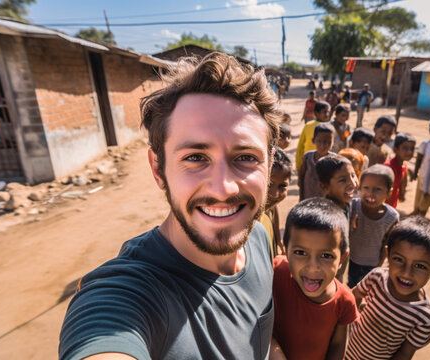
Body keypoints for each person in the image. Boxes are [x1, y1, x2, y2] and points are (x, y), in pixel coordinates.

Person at [59, 53, 280, 359]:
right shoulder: (129, 292)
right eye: (195, 158)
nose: (223, 188)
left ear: (269, 166)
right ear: (158, 169)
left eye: (246, 158)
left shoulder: (258, 235)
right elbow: (104, 334)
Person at [346, 216, 430, 360]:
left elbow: (404, 354)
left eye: (420, 266)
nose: (406, 272)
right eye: (399, 259)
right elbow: (352, 297)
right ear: (388, 255)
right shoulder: (377, 277)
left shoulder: (424, 317)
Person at [270, 198, 358, 360]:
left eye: (326, 256)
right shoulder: (276, 273)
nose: (312, 267)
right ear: (285, 250)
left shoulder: (344, 301)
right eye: (300, 253)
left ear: (342, 259)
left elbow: (338, 345)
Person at [348, 164, 399, 288]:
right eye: (366, 188)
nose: (370, 193)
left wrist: (379, 265)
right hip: (351, 259)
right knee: (351, 286)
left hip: (372, 264)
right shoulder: (352, 206)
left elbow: (387, 244)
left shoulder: (391, 217)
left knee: (366, 290)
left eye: (378, 189)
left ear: (389, 192)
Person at [316, 154, 360, 283]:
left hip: (340, 265)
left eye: (353, 175)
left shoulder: (346, 203)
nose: (352, 183)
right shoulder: (326, 216)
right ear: (325, 187)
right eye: (342, 180)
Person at [262, 147, 292, 260]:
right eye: (269, 184)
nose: (274, 194)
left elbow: (274, 209)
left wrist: (279, 241)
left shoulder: (269, 208)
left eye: (282, 186)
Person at [298, 123, 336, 200]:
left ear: (333, 142)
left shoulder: (335, 160)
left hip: (326, 202)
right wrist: (301, 197)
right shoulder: (307, 158)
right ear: (313, 140)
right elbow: (301, 177)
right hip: (308, 199)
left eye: (327, 142)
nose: (323, 145)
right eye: (319, 141)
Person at [384, 133, 415, 208]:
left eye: (412, 149)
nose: (409, 152)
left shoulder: (403, 165)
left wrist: (402, 193)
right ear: (396, 149)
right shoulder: (388, 167)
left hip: (392, 203)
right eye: (405, 148)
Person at [296, 101, 331, 169]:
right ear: (316, 113)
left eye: (328, 112)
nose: (327, 114)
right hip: (309, 161)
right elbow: (300, 146)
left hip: (325, 162)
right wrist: (299, 165)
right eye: (324, 112)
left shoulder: (330, 127)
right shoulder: (308, 125)